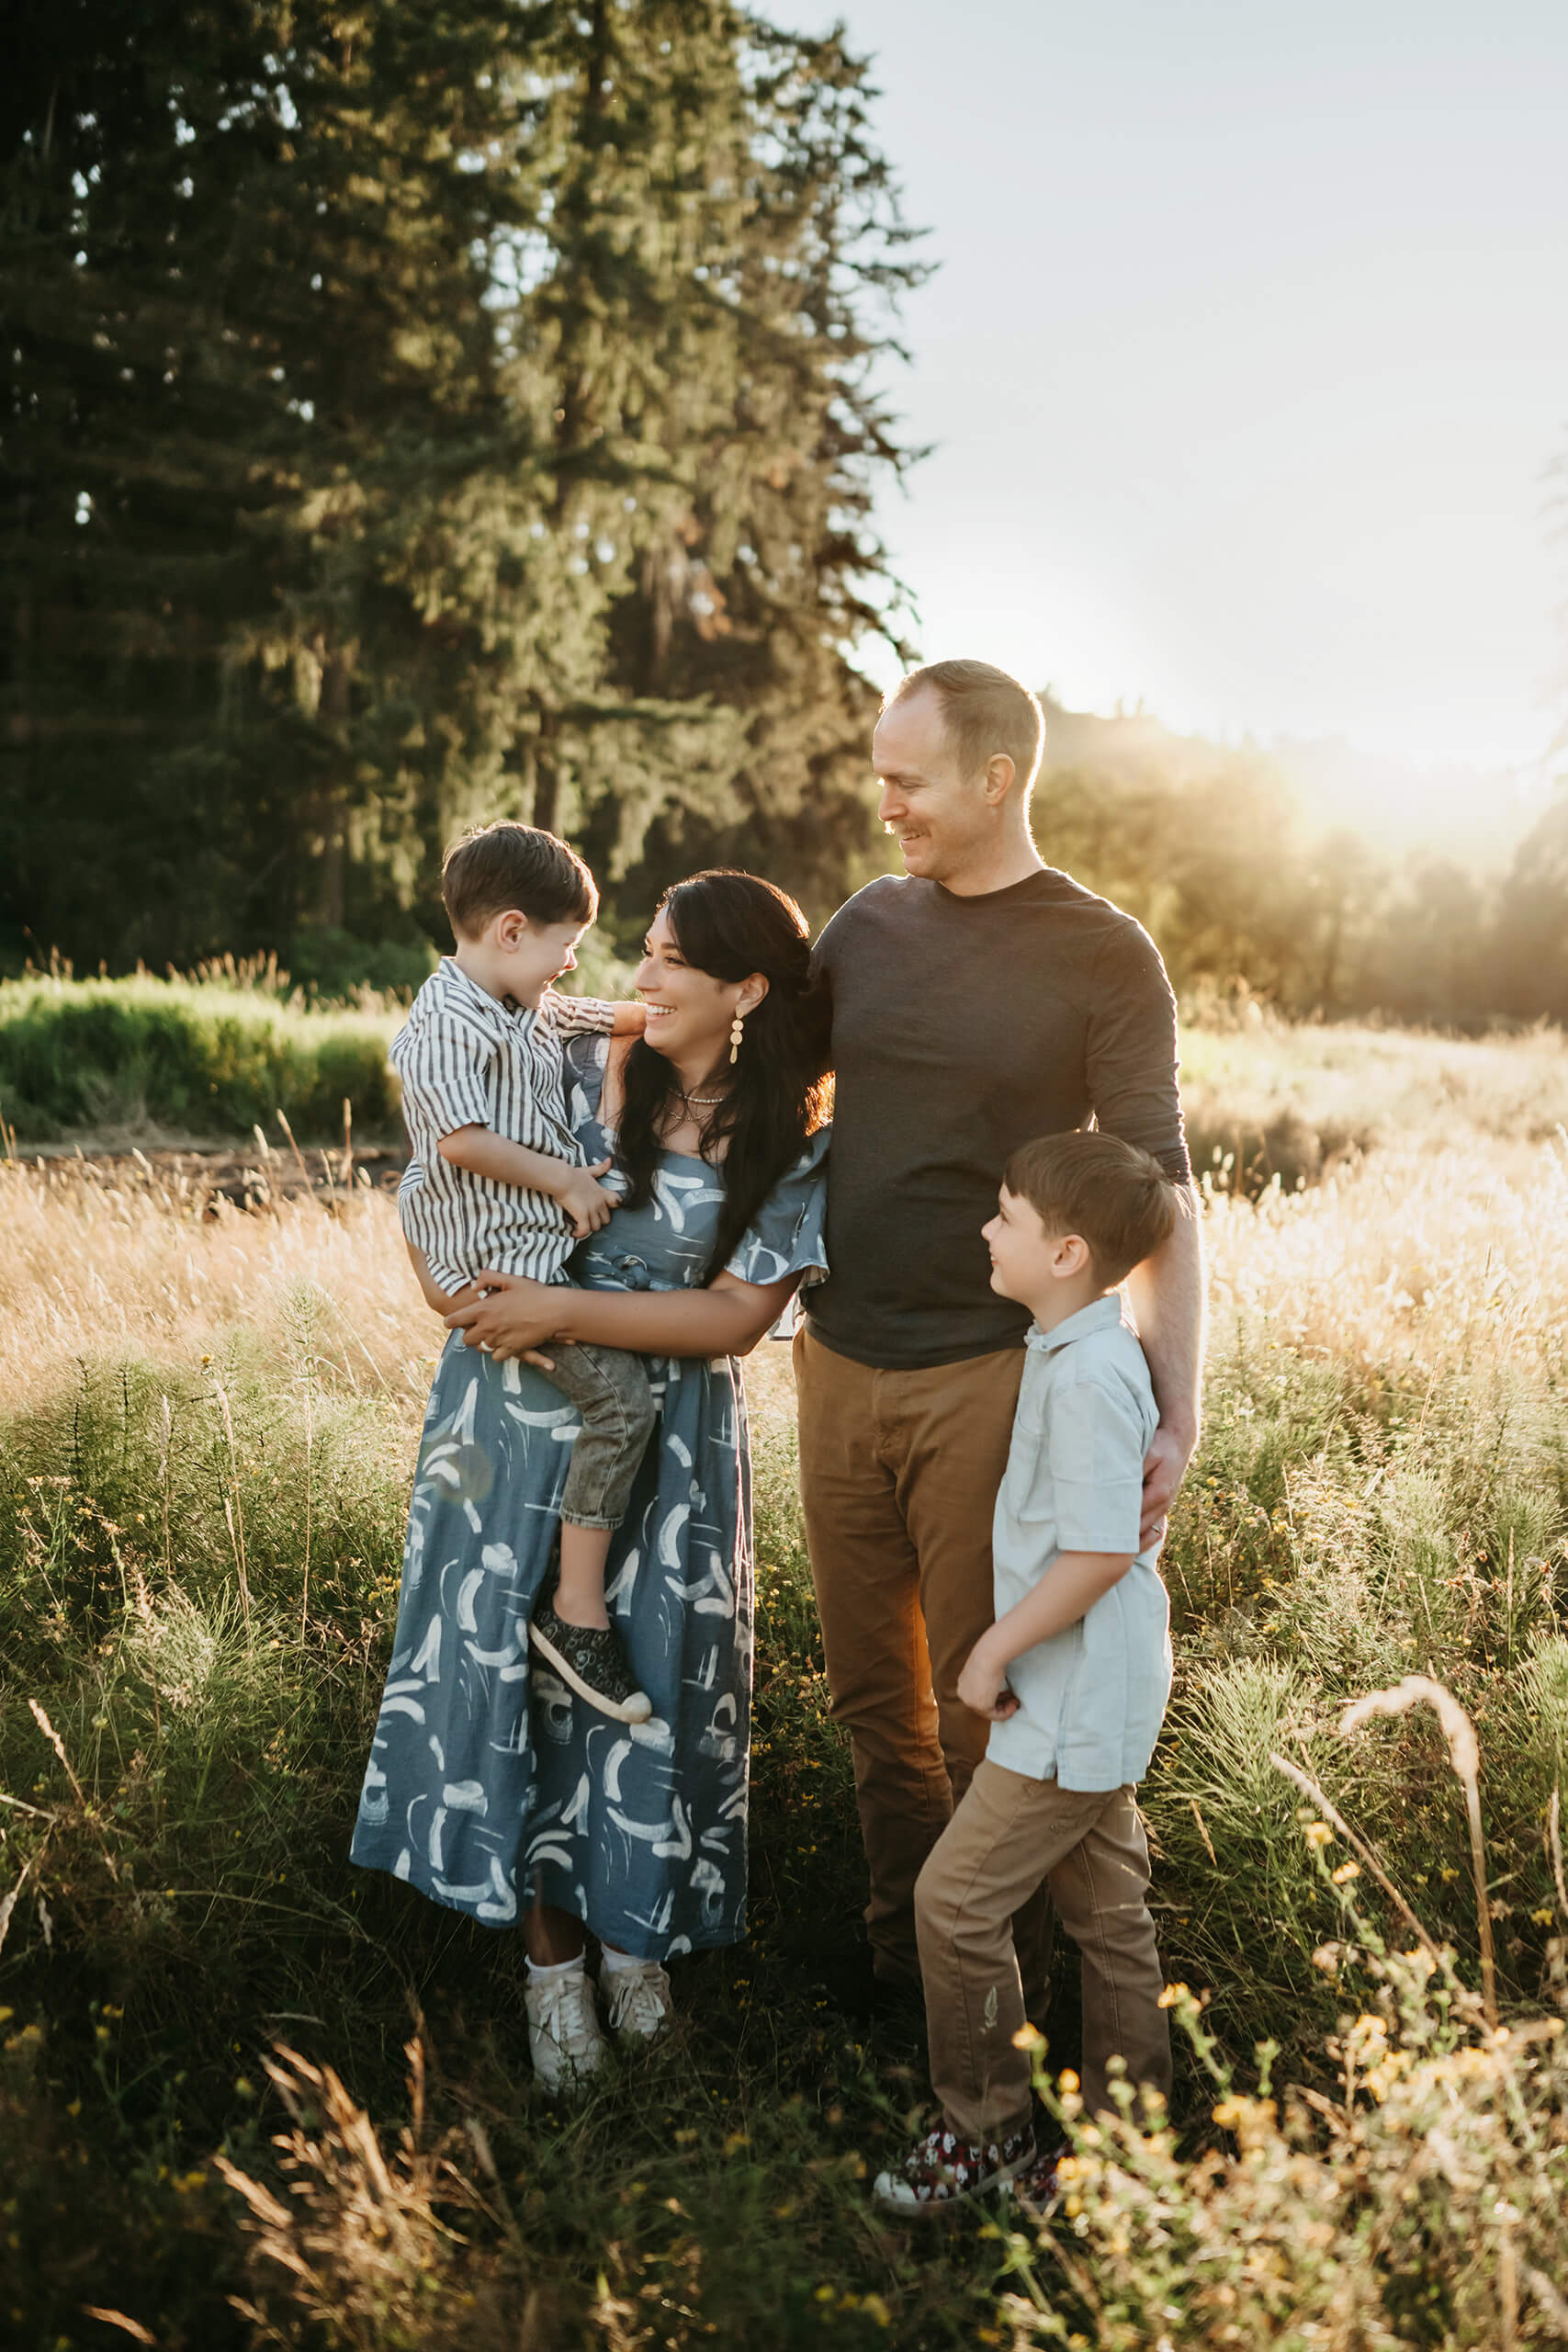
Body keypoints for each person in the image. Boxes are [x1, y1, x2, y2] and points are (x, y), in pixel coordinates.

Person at [351, 869, 831, 2091]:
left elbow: (734, 1317)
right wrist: (444, 1288)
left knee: (647, 1689)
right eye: (646, 950)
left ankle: (635, 1954)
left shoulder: (790, 1142)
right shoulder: (568, 1065)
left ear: (745, 990)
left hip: (668, 1447)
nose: (643, 973)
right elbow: (440, 1168)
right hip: (509, 1418)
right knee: (520, 1692)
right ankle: (550, 1973)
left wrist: (564, 1301)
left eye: (672, 959)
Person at [795, 658, 1203, 2011]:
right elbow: (746, 1087)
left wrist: (1174, 1407)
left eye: (905, 780)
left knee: (990, 1715)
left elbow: (1158, 1195)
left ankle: (999, 2031)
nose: (884, 802)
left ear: (993, 777)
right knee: (874, 1716)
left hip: (984, 1381)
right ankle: (900, 1994)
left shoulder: (1099, 950)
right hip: (832, 1361)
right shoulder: (861, 924)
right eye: (878, 775)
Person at [874, 1130, 1180, 2216]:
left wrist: (995, 1648)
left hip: (1071, 1700)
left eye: (1005, 1215)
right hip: (1090, 1695)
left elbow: (1100, 1551)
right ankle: (1123, 2150)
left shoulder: (1091, 1373)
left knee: (954, 1904)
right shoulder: (1072, 1348)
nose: (985, 1228)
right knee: (1111, 1919)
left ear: (1067, 1254)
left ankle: (985, 2131)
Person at [389, 820, 656, 1723]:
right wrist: (565, 1180)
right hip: (498, 1272)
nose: (568, 967)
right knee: (621, 1405)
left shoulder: (511, 1000)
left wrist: (652, 1016)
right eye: (563, 947)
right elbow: (459, 1141)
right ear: (510, 930)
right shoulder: (439, 1027)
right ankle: (575, 1612)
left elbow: (572, 1016)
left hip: (523, 1257)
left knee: (612, 1405)